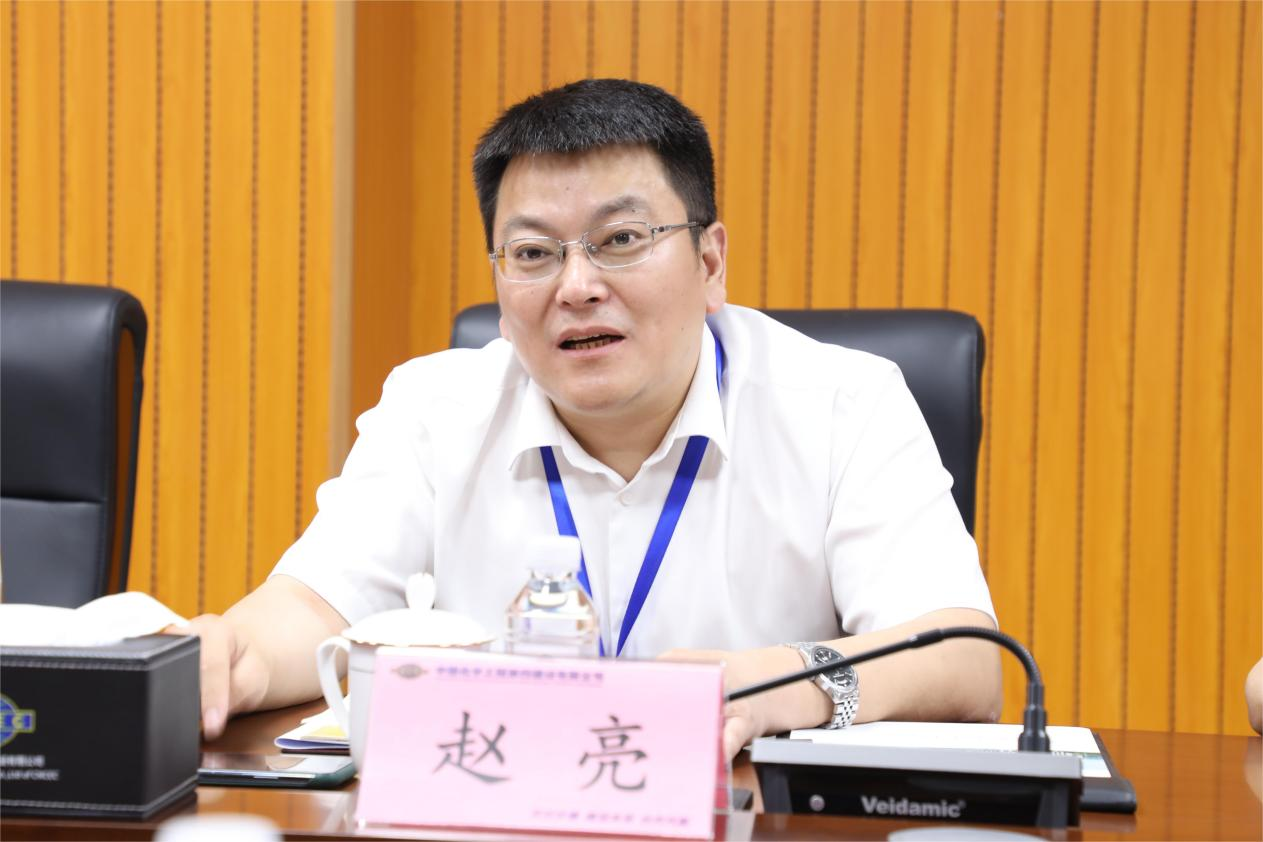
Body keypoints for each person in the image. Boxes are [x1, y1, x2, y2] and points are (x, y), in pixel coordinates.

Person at [186, 79, 1001, 758]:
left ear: (709, 261)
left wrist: (771, 682)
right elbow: (317, 609)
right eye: (533, 254)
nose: (575, 286)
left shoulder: (842, 403)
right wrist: (233, 656)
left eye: (620, 239)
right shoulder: (434, 408)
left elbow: (963, 660)